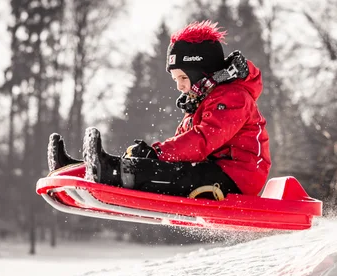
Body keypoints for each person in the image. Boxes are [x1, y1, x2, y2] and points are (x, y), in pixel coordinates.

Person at [47, 20, 271, 200]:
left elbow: (202, 140)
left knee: (175, 173)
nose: (179, 86)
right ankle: (80, 168)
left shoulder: (234, 98)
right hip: (214, 169)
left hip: (239, 178)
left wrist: (157, 153)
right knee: (163, 166)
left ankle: (108, 172)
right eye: (175, 79)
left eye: (183, 77)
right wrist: (150, 155)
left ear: (203, 72)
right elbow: (184, 146)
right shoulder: (203, 101)